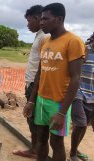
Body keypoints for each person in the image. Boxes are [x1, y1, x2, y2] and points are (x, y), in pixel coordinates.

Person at [23, 3, 85, 161]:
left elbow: (76, 79)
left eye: (45, 19)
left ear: (59, 19)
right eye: (41, 19)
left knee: (56, 143)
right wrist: (31, 100)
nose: (41, 22)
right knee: (41, 138)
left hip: (58, 103)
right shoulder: (45, 41)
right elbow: (40, 73)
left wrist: (62, 112)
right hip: (41, 99)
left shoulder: (73, 41)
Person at [13, 5, 45, 159]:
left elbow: (43, 66)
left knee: (33, 120)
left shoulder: (44, 37)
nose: (27, 24)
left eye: (29, 20)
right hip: (32, 84)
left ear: (38, 18)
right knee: (33, 120)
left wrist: (33, 92)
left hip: (35, 85)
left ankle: (35, 150)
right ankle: (35, 148)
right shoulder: (39, 35)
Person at [69, 33, 94, 161]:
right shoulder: (84, 49)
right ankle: (72, 154)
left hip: (92, 95)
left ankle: (75, 149)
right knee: (81, 124)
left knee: (85, 126)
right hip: (78, 91)